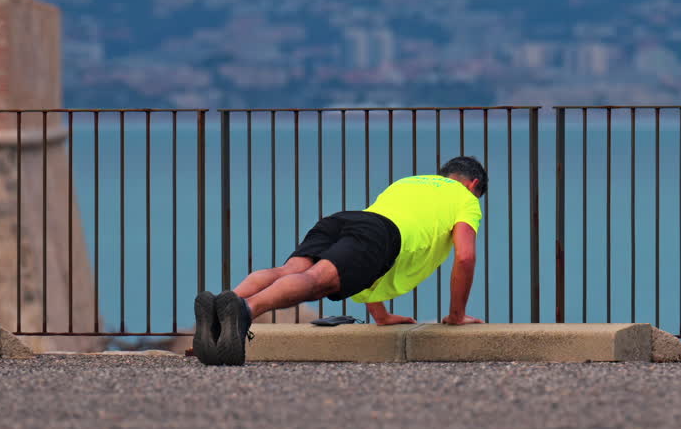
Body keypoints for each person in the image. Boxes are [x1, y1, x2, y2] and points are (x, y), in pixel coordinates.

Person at [193, 156, 487, 366]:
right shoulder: (466, 199)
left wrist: (381, 316)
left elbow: (372, 259)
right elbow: (464, 256)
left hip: (346, 220)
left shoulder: (409, 183)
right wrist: (456, 315)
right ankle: (246, 310)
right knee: (318, 281)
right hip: (379, 233)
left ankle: (224, 308)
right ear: (473, 184)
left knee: (290, 269)